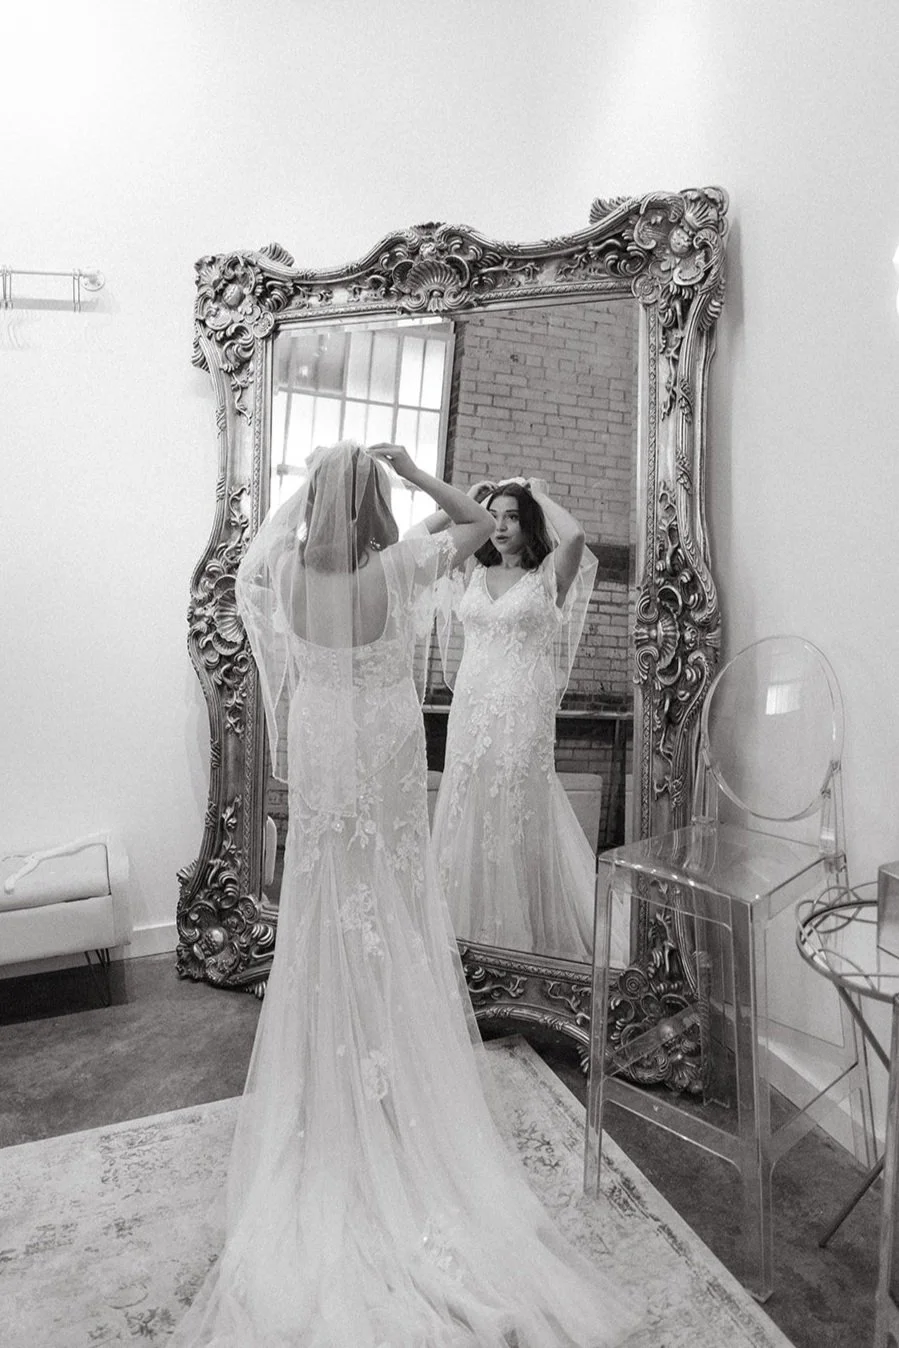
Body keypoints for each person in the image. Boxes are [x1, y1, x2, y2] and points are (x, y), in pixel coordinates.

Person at [168, 441, 635, 1347]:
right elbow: (466, 521)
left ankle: (324, 1091)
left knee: (323, 900)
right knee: (389, 900)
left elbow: (255, 592)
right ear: (376, 501)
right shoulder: (402, 563)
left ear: (312, 503)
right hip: (382, 751)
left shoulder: (285, 575)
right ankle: (392, 1081)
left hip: (322, 752)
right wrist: (419, 473)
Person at [426, 477, 600, 961]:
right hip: (471, 712)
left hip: (522, 711)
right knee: (468, 806)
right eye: (494, 516)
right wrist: (464, 498)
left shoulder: (547, 577)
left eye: (512, 517)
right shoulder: (471, 574)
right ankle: (461, 938)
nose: (500, 526)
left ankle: (519, 944)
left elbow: (577, 538)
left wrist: (533, 491)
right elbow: (426, 546)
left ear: (529, 524)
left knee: (516, 807)